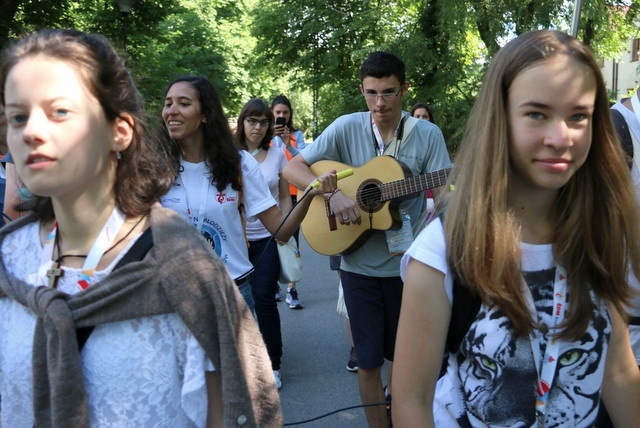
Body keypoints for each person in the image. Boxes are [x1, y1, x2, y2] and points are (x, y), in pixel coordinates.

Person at [0, 28, 283, 427]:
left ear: (120, 131)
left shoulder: (184, 268)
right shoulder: (7, 263)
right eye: (17, 115)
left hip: (240, 280)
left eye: (59, 111)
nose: (30, 131)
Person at [392, 29, 640, 427]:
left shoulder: (601, 231)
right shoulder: (442, 252)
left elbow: (618, 372)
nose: (561, 138)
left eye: (579, 115)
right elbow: (411, 403)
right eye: (537, 114)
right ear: (500, 118)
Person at [284, 51, 451, 427]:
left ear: (405, 89)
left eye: (389, 92)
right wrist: (333, 194)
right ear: (362, 90)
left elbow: (444, 197)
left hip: (412, 269)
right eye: (371, 93)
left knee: (406, 361)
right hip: (358, 269)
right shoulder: (346, 127)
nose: (380, 103)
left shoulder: (427, 135)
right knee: (368, 362)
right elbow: (292, 167)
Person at [159, 76, 335, 314]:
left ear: (205, 114)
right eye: (168, 103)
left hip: (231, 294)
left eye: (183, 103)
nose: (172, 111)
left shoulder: (239, 164)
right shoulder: (154, 166)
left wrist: (311, 193)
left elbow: (281, 230)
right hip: (174, 296)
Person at [234, 98, 290, 389]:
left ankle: (274, 363)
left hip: (267, 238)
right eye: (252, 121)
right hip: (235, 242)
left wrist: (285, 223)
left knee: (265, 298)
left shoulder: (277, 154)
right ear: (242, 122)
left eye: (263, 122)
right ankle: (245, 358)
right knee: (241, 303)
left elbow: (284, 194)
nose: (257, 127)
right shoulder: (228, 155)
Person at [271, 94, 305, 309]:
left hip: (293, 194)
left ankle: (291, 288)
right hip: (271, 195)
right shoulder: (265, 136)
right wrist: (274, 140)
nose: (281, 116)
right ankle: (273, 283)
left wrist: (287, 143)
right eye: (277, 113)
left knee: (292, 240)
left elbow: (304, 161)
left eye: (285, 112)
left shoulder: (296, 135)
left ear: (290, 114)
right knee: (271, 240)